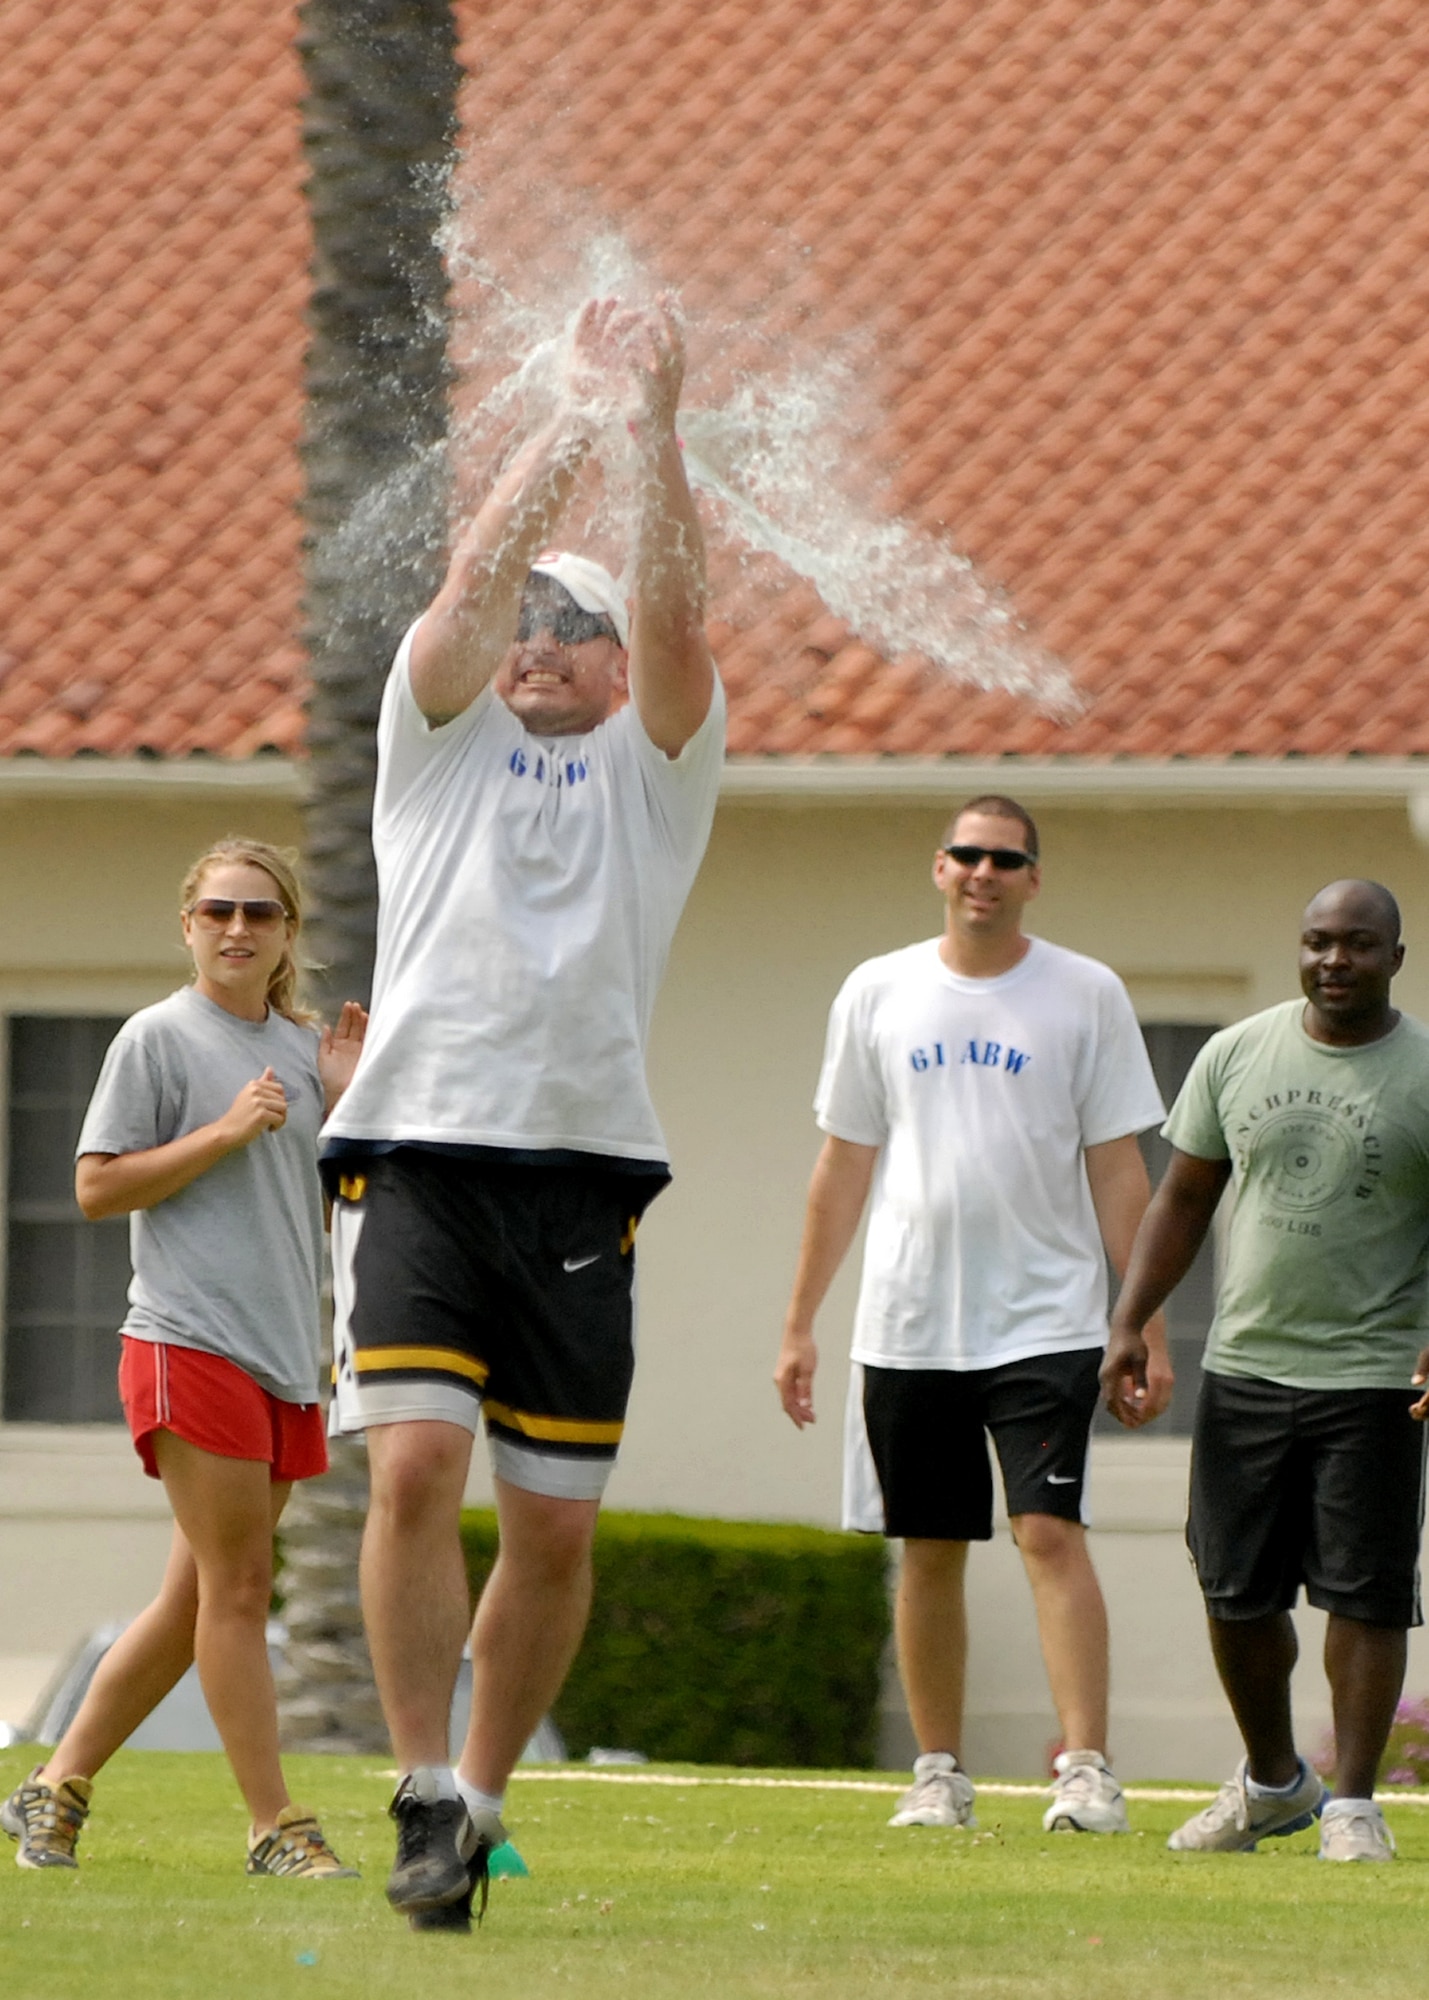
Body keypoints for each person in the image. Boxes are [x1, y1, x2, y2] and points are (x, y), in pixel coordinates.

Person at [319, 296, 724, 1930]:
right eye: (530, 623)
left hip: (582, 1185)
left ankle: (478, 1804)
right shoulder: (430, 747)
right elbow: (463, 591)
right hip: (418, 1157)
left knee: (549, 1529)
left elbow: (685, 630)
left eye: (578, 627)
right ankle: (422, 1786)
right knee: (414, 1467)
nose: (544, 639)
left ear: (617, 670)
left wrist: (656, 434)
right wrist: (565, 417)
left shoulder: (655, 770)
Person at [775, 796, 1168, 1835]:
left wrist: (1146, 1322)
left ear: (1034, 876)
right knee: (928, 1542)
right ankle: (938, 1771)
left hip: (1046, 1319)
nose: (983, 872)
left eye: (1005, 858)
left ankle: (1084, 1766)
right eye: (966, 855)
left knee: (1047, 1528)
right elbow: (842, 1162)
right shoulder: (877, 990)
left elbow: (1121, 1168)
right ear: (937, 867)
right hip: (908, 1321)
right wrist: (801, 1320)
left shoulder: (1085, 993)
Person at [1, 839, 366, 1877]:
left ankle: (52, 1787)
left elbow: (341, 1198)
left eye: (259, 912)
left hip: (285, 1356)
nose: (237, 929)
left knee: (199, 1597)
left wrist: (342, 1105)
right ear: (189, 924)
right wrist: (224, 1131)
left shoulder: (304, 1049)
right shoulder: (156, 1038)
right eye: (218, 911)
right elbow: (96, 1187)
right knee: (242, 1588)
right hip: (186, 1338)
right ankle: (274, 1825)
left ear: (289, 930)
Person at [1103, 879, 1429, 1863]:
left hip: (1373, 1378)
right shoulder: (1236, 1052)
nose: (1335, 960)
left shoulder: (1421, 1070)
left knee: (1364, 1593)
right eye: (1318, 941)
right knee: (1235, 1591)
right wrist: (1129, 1317)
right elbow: (1182, 1196)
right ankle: (1275, 1780)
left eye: (1358, 945)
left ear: (1394, 959)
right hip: (1245, 1368)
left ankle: (1354, 1806)